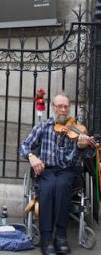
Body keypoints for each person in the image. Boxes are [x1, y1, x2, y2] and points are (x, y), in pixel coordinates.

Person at [19, 93, 95, 255]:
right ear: (53, 107)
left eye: (66, 106)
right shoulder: (43, 127)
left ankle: (60, 237)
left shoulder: (77, 130)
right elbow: (24, 146)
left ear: (69, 108)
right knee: (47, 188)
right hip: (47, 170)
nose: (63, 109)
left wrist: (81, 147)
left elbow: (84, 157)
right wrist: (32, 157)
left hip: (68, 170)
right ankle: (46, 239)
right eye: (59, 106)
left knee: (61, 186)